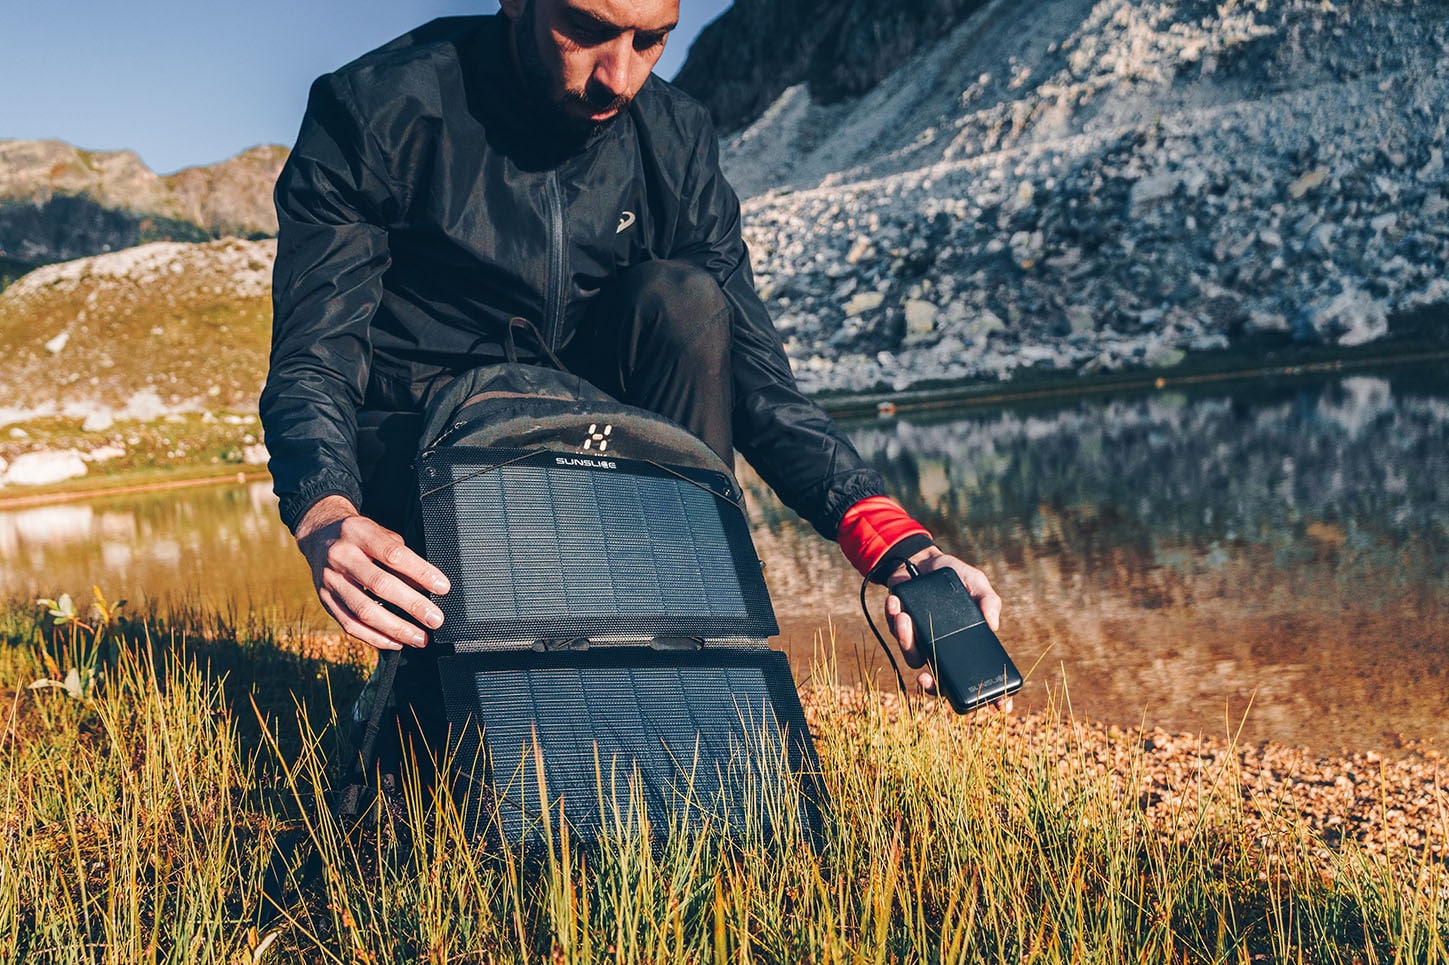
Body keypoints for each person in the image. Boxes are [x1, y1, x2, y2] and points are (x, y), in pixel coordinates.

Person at [260, 0, 1003, 712]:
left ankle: (692, 644)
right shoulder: (374, 109)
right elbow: (313, 357)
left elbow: (753, 375)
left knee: (685, 301)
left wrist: (898, 548)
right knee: (455, 751)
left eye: (651, 39)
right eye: (586, 30)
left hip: (594, 453)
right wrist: (325, 510)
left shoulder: (674, 135)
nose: (619, 74)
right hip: (430, 452)